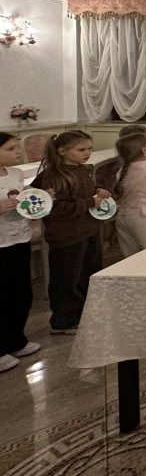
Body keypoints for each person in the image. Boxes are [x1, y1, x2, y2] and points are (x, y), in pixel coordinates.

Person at [31, 130, 110, 335]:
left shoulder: (81, 169)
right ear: (62, 151)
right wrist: (89, 202)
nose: (87, 153)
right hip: (67, 237)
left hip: (88, 230)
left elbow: (84, 191)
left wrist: (98, 190)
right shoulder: (52, 177)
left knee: (87, 274)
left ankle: (83, 314)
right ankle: (64, 321)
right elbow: (54, 208)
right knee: (67, 280)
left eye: (89, 149)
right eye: (81, 149)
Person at [0, 133, 39, 371]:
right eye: (10, 148)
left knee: (21, 291)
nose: (18, 151)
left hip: (20, 237)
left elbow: (23, 200)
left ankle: (15, 339)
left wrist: (37, 202)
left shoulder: (15, 173)